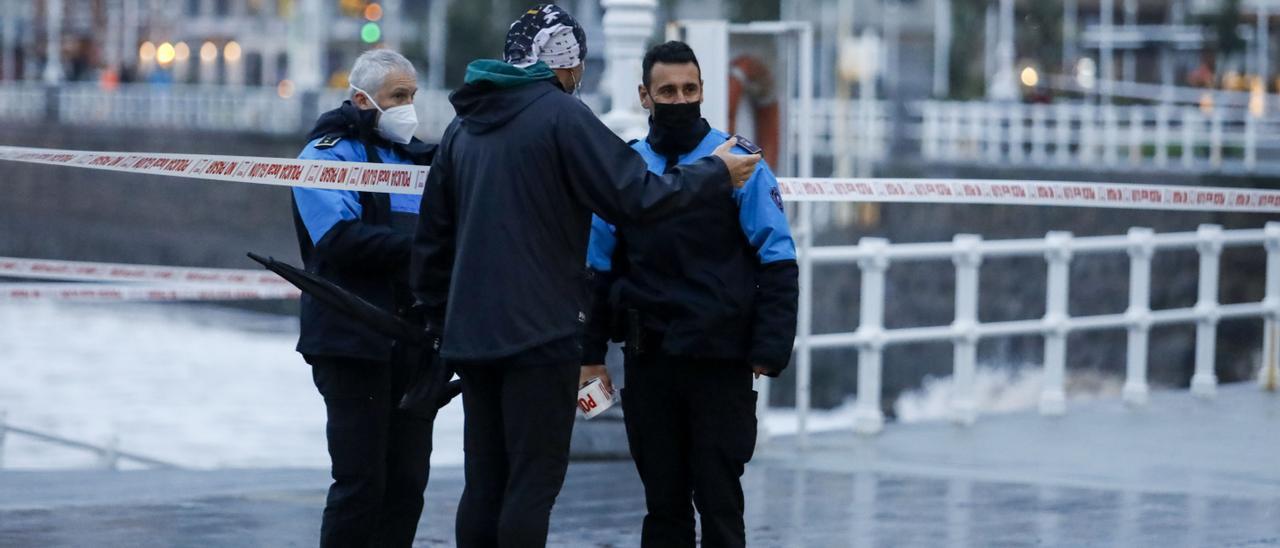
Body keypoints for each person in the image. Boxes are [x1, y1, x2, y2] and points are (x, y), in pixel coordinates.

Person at [409, 5, 762, 547]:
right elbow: (637, 196)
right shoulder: (560, 116)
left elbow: (433, 242)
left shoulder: (462, 127)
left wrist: (439, 321)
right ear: (567, 64)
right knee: (532, 482)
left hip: (472, 336)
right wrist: (715, 173)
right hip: (540, 336)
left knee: (484, 481)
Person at [580, 41, 799, 548]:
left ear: (702, 91)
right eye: (668, 91)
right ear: (644, 96)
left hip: (720, 361)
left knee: (721, 503)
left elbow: (779, 258)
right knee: (663, 507)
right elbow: (596, 269)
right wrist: (589, 357)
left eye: (690, 89)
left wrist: (770, 348)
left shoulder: (740, 162)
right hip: (649, 360)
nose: (680, 100)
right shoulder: (626, 169)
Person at [291, 49, 450, 548]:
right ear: (362, 100)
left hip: (414, 344)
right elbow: (338, 239)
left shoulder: (418, 159)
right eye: (397, 97)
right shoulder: (325, 155)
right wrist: (431, 247)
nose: (409, 108)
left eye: (412, 96)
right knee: (361, 484)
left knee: (407, 485)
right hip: (351, 340)